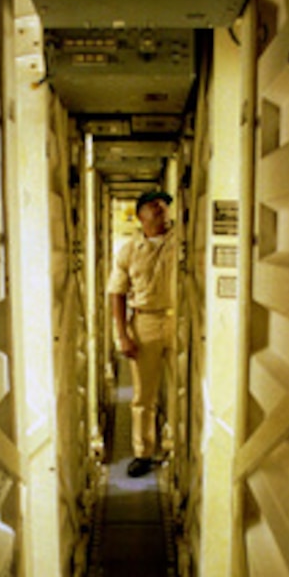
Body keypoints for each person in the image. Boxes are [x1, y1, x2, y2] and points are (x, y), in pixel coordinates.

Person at [107, 190, 176, 477]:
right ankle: (143, 453)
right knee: (144, 395)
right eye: (153, 205)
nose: (160, 208)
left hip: (179, 320)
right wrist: (122, 335)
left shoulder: (183, 241)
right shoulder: (129, 250)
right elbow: (117, 294)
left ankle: (178, 447)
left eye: (163, 204)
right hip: (145, 323)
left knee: (183, 389)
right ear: (140, 216)